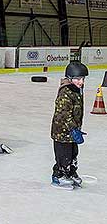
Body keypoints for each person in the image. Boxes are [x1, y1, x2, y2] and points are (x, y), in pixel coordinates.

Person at [50, 61, 89, 189]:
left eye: (82, 79)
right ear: (70, 78)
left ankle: (71, 172)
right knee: (63, 155)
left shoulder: (77, 90)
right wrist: (73, 128)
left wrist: (76, 129)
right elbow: (63, 114)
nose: (81, 82)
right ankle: (59, 175)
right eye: (78, 79)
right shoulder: (65, 92)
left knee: (73, 153)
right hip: (62, 131)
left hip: (73, 130)